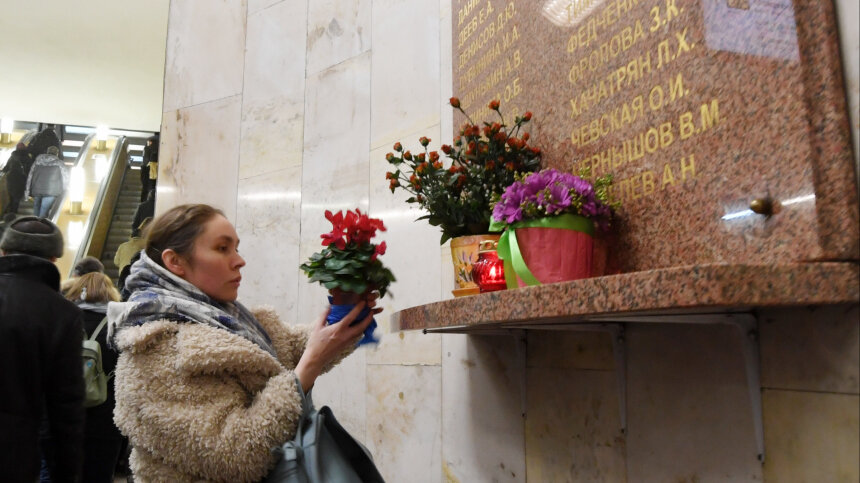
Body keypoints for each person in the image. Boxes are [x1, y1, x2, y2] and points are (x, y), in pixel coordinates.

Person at [108, 204, 379, 481]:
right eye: (222, 248)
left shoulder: (225, 318)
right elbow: (237, 454)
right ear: (175, 262)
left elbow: (290, 348)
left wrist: (346, 310)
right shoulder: (151, 350)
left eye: (236, 248)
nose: (239, 260)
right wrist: (310, 365)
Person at [0, 216, 85, 482]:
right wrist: (66, 472)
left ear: (3, 252)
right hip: (13, 456)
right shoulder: (62, 313)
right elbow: (66, 406)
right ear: (53, 259)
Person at [64, 272, 124, 482]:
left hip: (64, 413)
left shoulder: (63, 319)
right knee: (98, 473)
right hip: (105, 416)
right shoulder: (118, 325)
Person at [26, 146, 68, 218]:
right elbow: (65, 177)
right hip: (52, 191)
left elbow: (30, 176)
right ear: (57, 153)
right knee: (44, 209)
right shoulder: (60, 163)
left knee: (36, 207)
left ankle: (35, 222)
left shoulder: (37, 162)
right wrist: (65, 189)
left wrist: (27, 190)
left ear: (47, 152)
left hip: (37, 188)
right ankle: (41, 223)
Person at [1, 143, 30, 215]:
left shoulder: (13, 156)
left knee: (11, 195)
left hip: (11, 178)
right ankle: (14, 211)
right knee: (17, 196)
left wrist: (2, 171)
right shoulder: (27, 158)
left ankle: (10, 210)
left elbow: (6, 168)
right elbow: (29, 170)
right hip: (21, 179)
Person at [140, 135, 158, 202]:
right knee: (150, 187)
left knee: (146, 188)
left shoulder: (148, 146)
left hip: (147, 169)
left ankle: (145, 201)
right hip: (151, 170)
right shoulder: (153, 147)